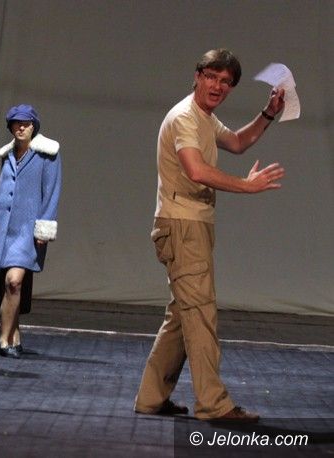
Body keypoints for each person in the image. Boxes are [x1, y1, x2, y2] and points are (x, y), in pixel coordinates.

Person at [134, 49, 285, 422]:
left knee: (182, 316)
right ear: (198, 76)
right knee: (200, 315)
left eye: (226, 82)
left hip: (192, 224)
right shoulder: (185, 117)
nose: (218, 86)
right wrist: (247, 186)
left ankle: (151, 397)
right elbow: (196, 170)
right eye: (212, 77)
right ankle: (213, 404)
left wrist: (268, 114)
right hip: (182, 225)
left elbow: (237, 142)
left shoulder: (204, 117)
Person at [0, 105, 61, 358]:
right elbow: (1, 192)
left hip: (28, 230)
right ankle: (15, 337)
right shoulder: (6, 154)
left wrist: (43, 228)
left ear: (33, 126)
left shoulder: (48, 154)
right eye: (16, 123)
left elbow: (51, 193)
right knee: (10, 287)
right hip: (4, 227)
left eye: (26, 123)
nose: (21, 127)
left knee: (14, 281)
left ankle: (3, 340)